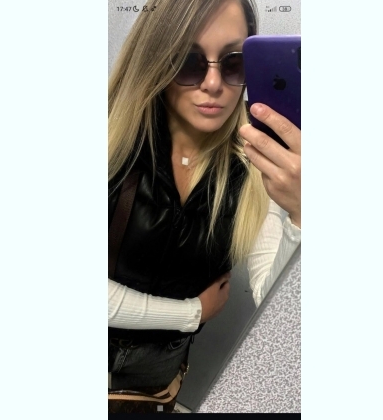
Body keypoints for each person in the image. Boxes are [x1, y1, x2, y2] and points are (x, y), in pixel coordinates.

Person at [108, 0, 301, 412]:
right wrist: (191, 313)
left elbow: (271, 301)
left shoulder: (252, 172)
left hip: (157, 388)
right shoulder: (111, 146)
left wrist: (302, 215)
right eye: (188, 61)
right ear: (156, 60)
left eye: (234, 63)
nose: (214, 84)